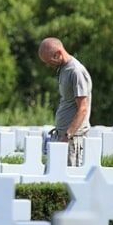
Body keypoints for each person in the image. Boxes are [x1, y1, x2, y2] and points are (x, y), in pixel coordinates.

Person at [38, 37, 92, 166]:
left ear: (58, 54)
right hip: (62, 136)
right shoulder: (63, 69)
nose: (48, 65)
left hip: (72, 139)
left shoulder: (76, 71)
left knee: (67, 183)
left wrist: (67, 136)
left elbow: (82, 108)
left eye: (49, 61)